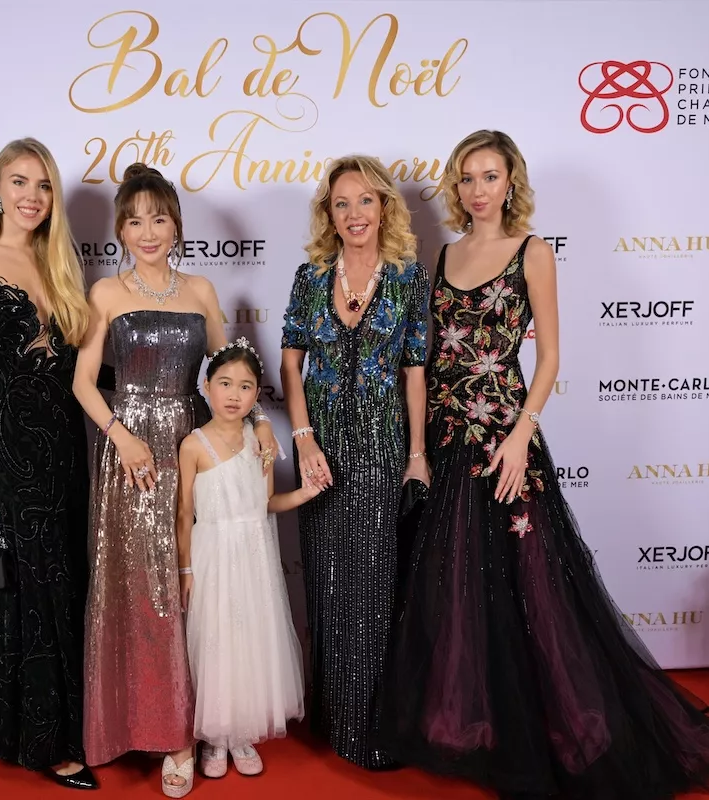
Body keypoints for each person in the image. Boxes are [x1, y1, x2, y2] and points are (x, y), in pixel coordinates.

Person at [375, 130, 709, 799]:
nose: (478, 190)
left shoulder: (533, 251)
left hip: (506, 440)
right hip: (449, 440)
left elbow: (549, 357)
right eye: (467, 178)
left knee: (533, 585)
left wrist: (522, 434)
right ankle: (479, 726)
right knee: (457, 587)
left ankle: (542, 728)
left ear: (510, 182)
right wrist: (418, 448)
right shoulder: (445, 254)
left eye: (490, 176)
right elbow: (428, 359)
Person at [73, 163, 279, 798]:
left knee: (205, 588)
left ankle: (213, 723)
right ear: (120, 231)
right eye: (135, 221)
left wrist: (261, 423)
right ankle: (169, 737)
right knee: (148, 592)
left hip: (195, 446)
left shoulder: (202, 290)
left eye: (158, 219)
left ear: (176, 225)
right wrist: (121, 435)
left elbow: (229, 369)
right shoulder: (106, 294)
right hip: (131, 457)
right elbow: (82, 382)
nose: (147, 232)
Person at [0, 138, 97, 790]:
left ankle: (62, 725)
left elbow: (81, 369)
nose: (32, 195)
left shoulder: (61, 264)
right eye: (20, 182)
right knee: (27, 585)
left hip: (65, 445)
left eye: (44, 185)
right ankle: (45, 742)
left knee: (66, 582)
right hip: (6, 446)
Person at [279, 155, 430, 770]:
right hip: (320, 449)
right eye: (341, 203)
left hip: (381, 447)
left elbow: (415, 370)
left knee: (373, 586)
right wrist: (302, 439)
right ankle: (332, 716)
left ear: (384, 207)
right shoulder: (311, 276)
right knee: (326, 581)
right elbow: (291, 364)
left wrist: (416, 455)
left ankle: (369, 726)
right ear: (329, 214)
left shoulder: (409, 277)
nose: (354, 213)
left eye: (365, 200)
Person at [176, 338, 311, 780]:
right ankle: (216, 736)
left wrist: (304, 494)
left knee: (251, 639)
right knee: (217, 640)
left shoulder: (261, 441)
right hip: (213, 554)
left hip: (254, 555)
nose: (234, 394)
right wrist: (186, 568)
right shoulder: (193, 445)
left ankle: (243, 733)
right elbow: (184, 514)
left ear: (257, 395)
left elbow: (266, 503)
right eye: (225, 383)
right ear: (206, 386)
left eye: (246, 386)